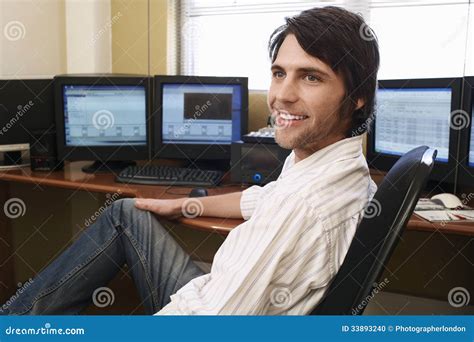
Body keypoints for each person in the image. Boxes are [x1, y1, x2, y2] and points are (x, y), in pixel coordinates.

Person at [2, 6, 379, 315]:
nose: (282, 95)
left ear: (358, 95)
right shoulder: (338, 167)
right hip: (214, 294)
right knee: (127, 211)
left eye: (311, 78)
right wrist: (185, 204)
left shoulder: (303, 206)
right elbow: (264, 198)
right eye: (280, 73)